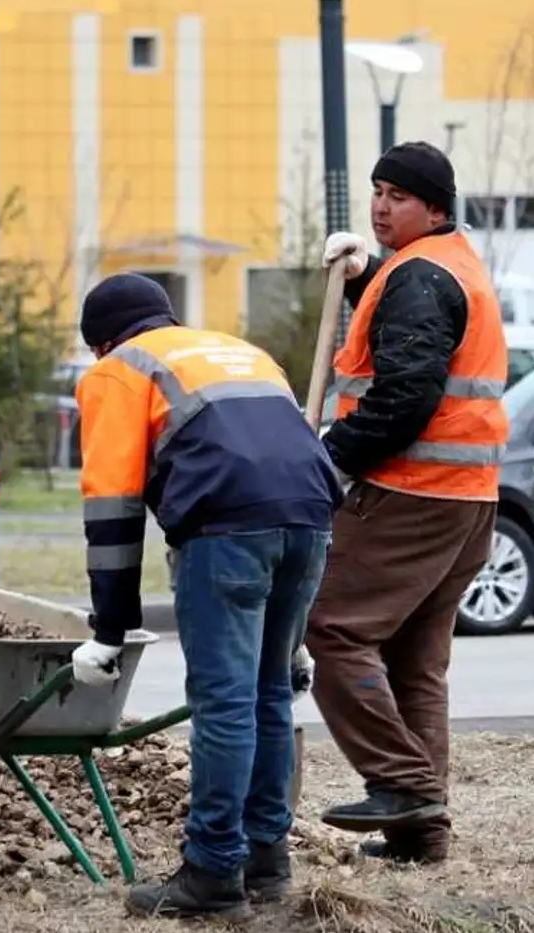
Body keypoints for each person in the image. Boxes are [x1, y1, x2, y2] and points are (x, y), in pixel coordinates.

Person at [68, 273, 343, 920]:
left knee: (224, 703)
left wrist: (109, 630)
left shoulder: (117, 369)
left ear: (102, 340)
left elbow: (112, 510)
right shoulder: (240, 351)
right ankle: (266, 859)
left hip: (226, 530)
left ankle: (214, 871)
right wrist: (297, 635)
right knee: (271, 689)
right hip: (312, 518)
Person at [304, 141, 508, 864]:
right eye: (377, 190)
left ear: (436, 207)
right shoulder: (449, 266)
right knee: (415, 664)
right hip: (469, 499)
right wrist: (365, 278)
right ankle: (421, 834)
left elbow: (406, 394)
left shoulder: (421, 275)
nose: (382, 205)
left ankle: (403, 782)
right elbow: (414, 337)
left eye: (399, 195)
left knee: (330, 627)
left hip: (411, 495)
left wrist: (324, 456)